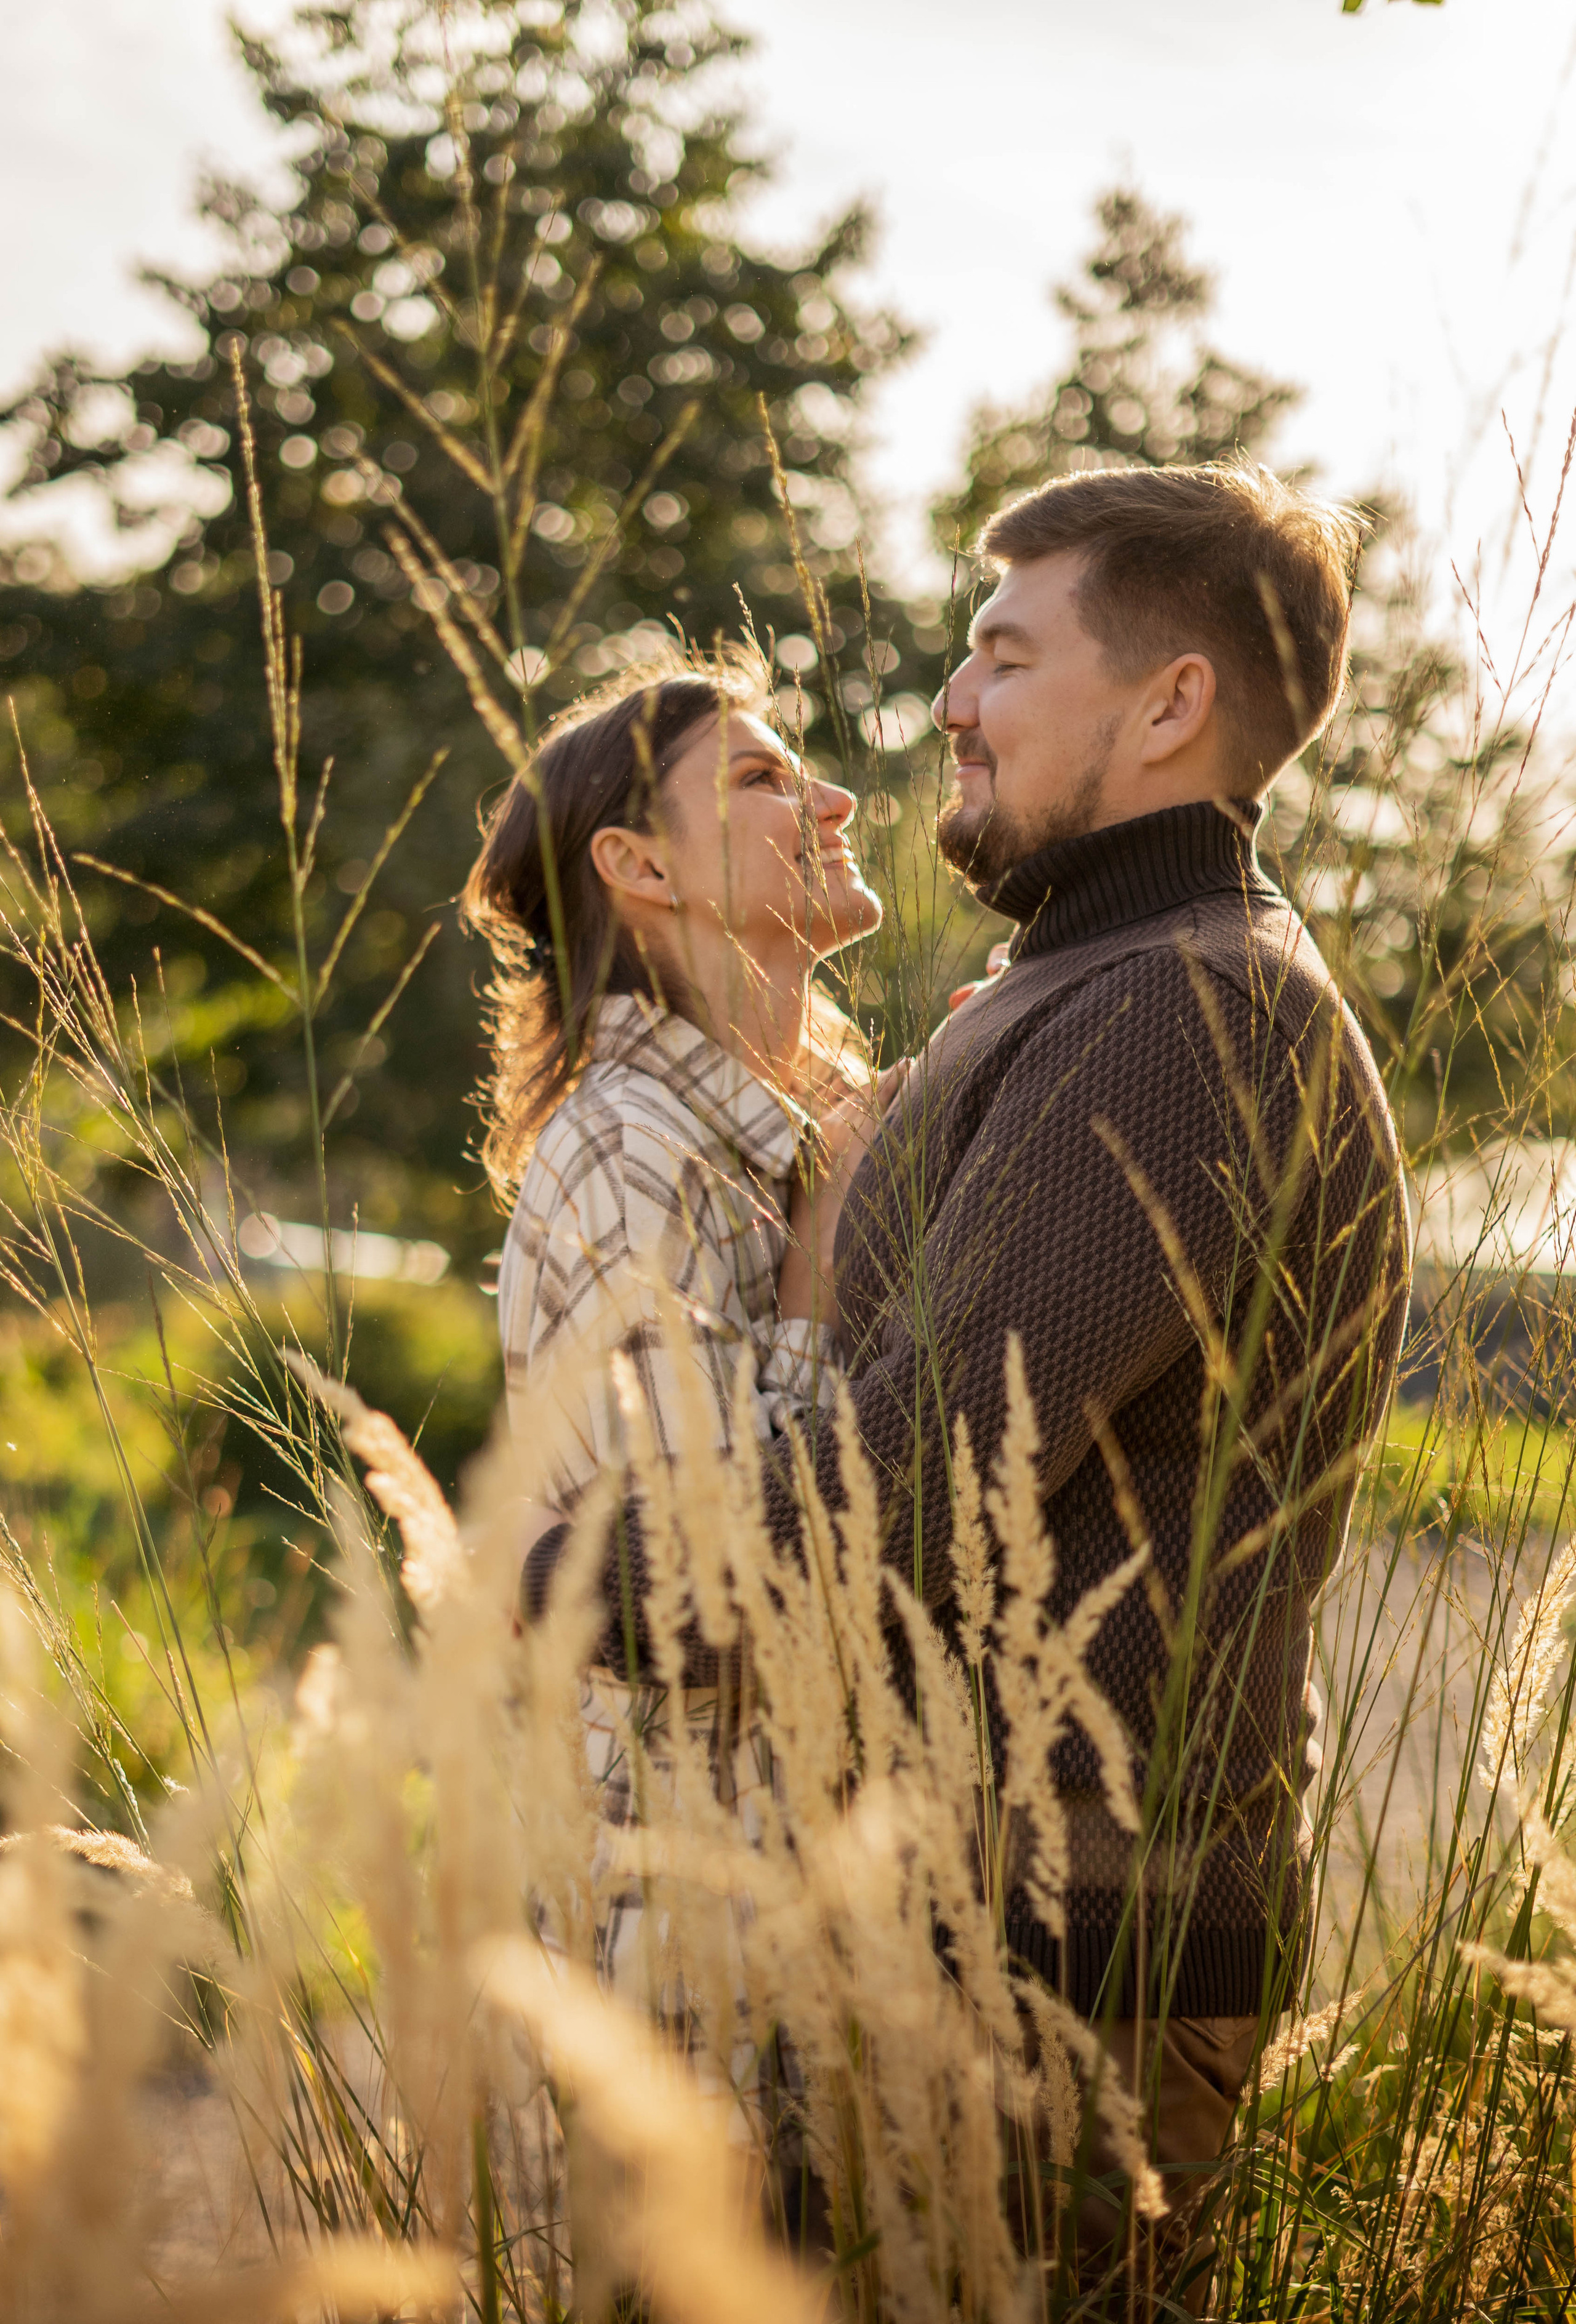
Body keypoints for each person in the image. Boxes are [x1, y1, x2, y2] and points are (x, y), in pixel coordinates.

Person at [518, 461, 1412, 2306]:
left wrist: (543, 1580)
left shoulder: (1194, 1005)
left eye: (1005, 656)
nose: (946, 703)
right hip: (966, 1948)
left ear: (1169, 703)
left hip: (1068, 1969)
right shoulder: (1097, 983)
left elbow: (919, 1480)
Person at [462, 644, 887, 2230]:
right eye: (769, 778)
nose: (839, 797)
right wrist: (825, 1263)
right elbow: (709, 1585)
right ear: (637, 869)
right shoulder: (636, 1152)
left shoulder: (799, 1125)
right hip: (699, 1928)